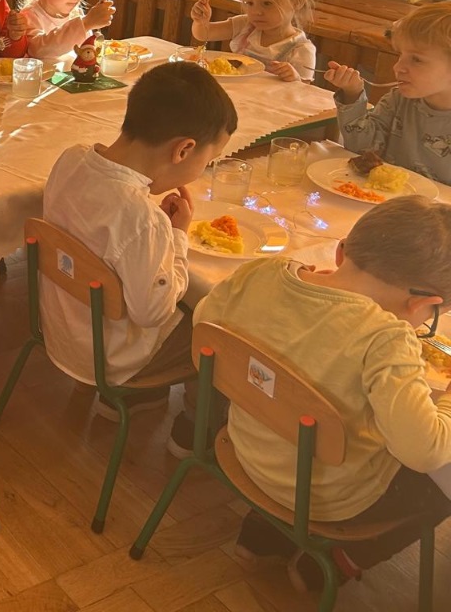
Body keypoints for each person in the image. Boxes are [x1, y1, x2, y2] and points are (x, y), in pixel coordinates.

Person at [193, 196, 451, 593]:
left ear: (341, 252)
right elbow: (424, 451)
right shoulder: (387, 340)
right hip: (328, 498)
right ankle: (329, 564)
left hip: (246, 450)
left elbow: (204, 325)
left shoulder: (263, 272)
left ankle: (261, 536)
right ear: (423, 303)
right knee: (440, 484)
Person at [40, 62, 236, 432]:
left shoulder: (72, 158)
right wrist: (176, 236)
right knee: (223, 327)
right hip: (112, 358)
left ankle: (136, 399)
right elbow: (153, 313)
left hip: (64, 328)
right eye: (207, 161)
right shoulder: (143, 218)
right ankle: (197, 429)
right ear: (184, 150)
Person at [324, 1, 451, 185]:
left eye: (416, 59)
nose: (397, 67)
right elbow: (362, 148)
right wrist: (352, 94)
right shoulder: (398, 100)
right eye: (400, 55)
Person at [190, 0, 320, 81]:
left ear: (297, 2)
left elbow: (304, 91)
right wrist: (200, 21)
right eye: (250, 3)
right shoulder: (246, 25)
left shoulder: (301, 50)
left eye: (267, 3)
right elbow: (203, 34)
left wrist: (295, 78)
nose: (256, 12)